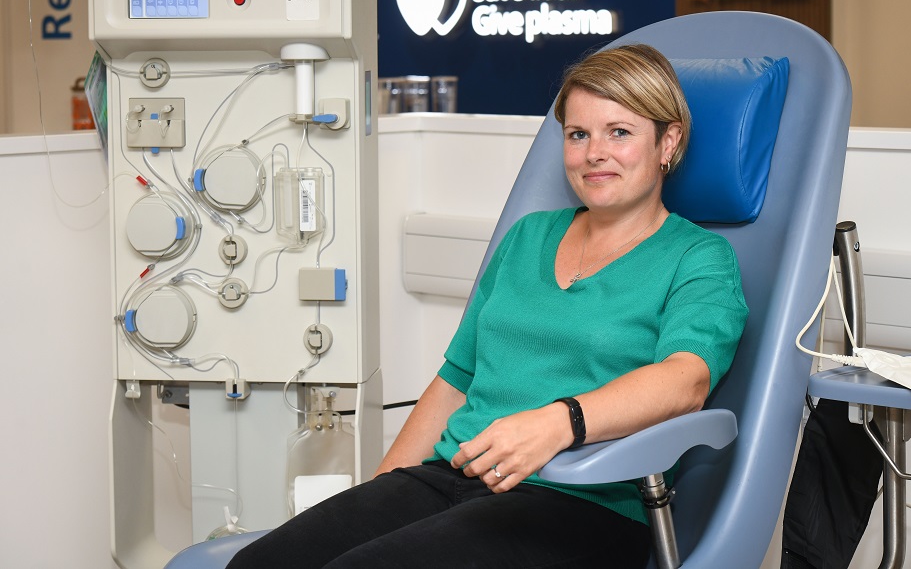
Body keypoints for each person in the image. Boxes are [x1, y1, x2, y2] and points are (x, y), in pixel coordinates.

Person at [227, 43, 748, 569]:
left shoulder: (698, 257)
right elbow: (456, 379)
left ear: (668, 142)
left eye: (620, 132)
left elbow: (686, 380)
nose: (594, 153)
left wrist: (558, 423)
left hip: (580, 504)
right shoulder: (528, 238)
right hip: (454, 474)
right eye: (577, 134)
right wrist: (382, 497)